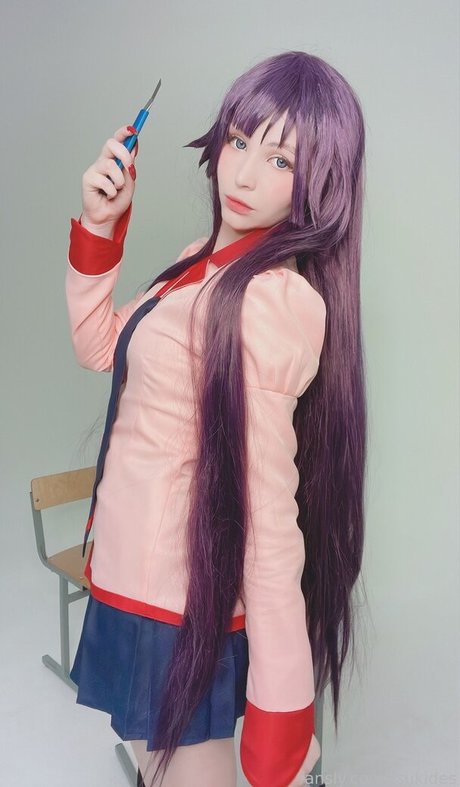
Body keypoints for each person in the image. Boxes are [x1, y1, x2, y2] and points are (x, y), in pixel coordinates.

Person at [66, 50, 367, 787]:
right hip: (134, 578)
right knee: (154, 761)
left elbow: (269, 518)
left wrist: (282, 701)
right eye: (238, 141)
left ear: (319, 185)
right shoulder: (194, 265)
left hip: (182, 604)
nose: (243, 175)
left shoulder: (271, 303)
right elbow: (101, 346)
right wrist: (102, 225)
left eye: (280, 160)